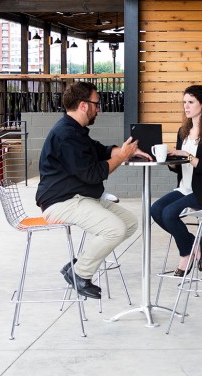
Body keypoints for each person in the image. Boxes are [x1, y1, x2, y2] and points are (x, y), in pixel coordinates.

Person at [35, 81, 149, 299]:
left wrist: (127, 151)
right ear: (83, 105)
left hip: (80, 197)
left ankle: (77, 265)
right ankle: (80, 273)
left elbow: (99, 150)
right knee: (115, 229)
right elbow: (93, 174)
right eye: (97, 104)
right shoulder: (66, 135)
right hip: (61, 202)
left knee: (129, 223)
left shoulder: (75, 130)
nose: (99, 109)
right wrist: (121, 157)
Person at [151, 85, 202, 276]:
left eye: (191, 102)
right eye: (184, 102)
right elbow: (179, 167)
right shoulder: (182, 131)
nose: (186, 106)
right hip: (185, 188)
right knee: (156, 210)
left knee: (169, 213)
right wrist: (171, 162)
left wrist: (187, 155)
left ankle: (186, 254)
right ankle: (193, 243)